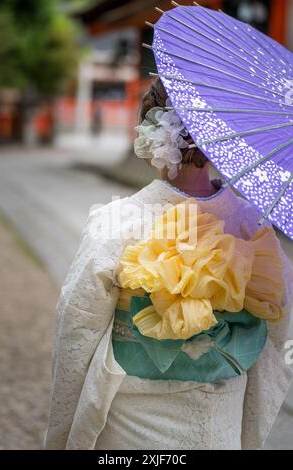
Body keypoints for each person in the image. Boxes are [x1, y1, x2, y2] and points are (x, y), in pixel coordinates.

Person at [44, 78, 293, 450]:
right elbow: (279, 330)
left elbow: (76, 328)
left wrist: (62, 434)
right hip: (218, 418)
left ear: (149, 130)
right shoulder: (251, 224)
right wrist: (250, 425)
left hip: (130, 422)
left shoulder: (119, 220)